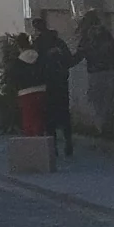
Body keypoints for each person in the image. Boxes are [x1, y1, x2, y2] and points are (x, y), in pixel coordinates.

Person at [32, 12, 81, 158]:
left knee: (49, 117)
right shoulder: (58, 42)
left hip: (47, 85)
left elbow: (35, 65)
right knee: (64, 113)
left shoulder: (38, 45)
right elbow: (69, 61)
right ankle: (67, 141)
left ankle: (53, 147)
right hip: (61, 83)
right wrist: (81, 54)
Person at [77, 8, 114, 135]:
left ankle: (101, 128)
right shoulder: (105, 33)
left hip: (95, 72)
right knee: (110, 101)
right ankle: (110, 127)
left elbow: (80, 53)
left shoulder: (87, 36)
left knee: (97, 102)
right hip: (110, 70)